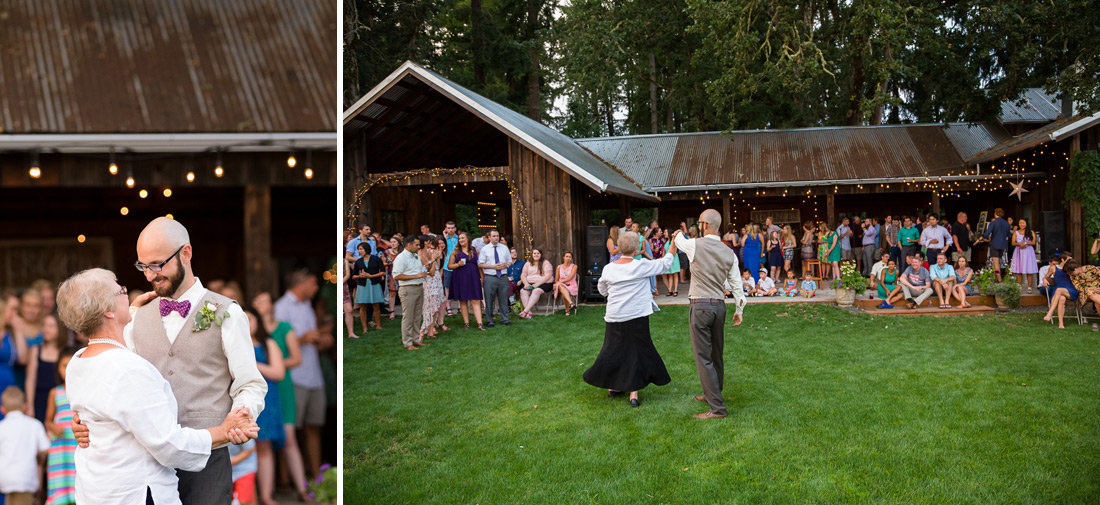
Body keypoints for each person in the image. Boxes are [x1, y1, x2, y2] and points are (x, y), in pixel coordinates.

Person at [70, 218, 266, 505]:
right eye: (143, 266)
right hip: (149, 464)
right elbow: (113, 380)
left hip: (208, 458)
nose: (149, 275)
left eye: (157, 264)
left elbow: (249, 382)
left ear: (186, 253)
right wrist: (85, 421)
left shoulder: (226, 312)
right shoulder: (135, 318)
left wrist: (241, 414)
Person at [583, 231, 676, 408]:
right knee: (635, 351)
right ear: (635, 248)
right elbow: (665, 264)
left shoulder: (609, 268)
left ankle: (615, 386)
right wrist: (673, 246)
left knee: (614, 349)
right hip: (636, 315)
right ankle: (632, 391)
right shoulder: (640, 266)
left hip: (616, 315)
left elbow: (602, 290)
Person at [673, 209, 747, 420]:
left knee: (703, 357)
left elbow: (678, 240)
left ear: (704, 225)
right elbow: (737, 286)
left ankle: (717, 408)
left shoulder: (695, 244)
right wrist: (739, 310)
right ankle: (712, 393)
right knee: (716, 354)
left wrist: (679, 232)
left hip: (700, 306)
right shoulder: (729, 252)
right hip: (719, 307)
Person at [250, 293, 310, 503]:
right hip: (262, 387)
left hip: (280, 386)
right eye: (257, 300)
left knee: (289, 438)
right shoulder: (247, 335)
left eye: (266, 300)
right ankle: (268, 490)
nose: (261, 304)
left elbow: (296, 358)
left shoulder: (282, 329)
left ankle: (303, 488)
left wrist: (272, 367)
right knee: (263, 441)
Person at [245, 308, 285, 505]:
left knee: (264, 447)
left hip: (267, 401)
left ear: (257, 321)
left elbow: (279, 372)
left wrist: (252, 363)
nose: (246, 322)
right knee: (244, 449)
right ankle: (247, 496)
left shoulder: (268, 344)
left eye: (249, 318)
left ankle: (266, 495)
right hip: (241, 403)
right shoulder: (234, 346)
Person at [0, 386, 50, 505]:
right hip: (25, 478)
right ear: (25, 406)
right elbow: (46, 448)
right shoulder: (35, 425)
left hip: (5, 478)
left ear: (3, 409)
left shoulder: (2, 427)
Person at [43, 346, 76, 505]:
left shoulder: (82, 391)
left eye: (71, 365)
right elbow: (48, 420)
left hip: (77, 448)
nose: (67, 370)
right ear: (58, 368)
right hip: (60, 448)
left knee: (78, 486)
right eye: (64, 366)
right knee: (61, 489)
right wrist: (52, 426)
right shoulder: (55, 393)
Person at [24, 313, 64, 423]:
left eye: (51, 326)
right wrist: (30, 406)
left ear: (60, 329)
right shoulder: (36, 350)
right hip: (40, 399)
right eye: (44, 325)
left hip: (59, 400)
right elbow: (30, 380)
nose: (46, 329)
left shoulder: (65, 352)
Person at [393, 235, 427, 349]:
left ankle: (416, 339)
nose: (419, 247)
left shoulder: (416, 256)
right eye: (416, 244)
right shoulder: (401, 258)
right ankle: (407, 343)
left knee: (417, 316)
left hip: (418, 287)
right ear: (409, 245)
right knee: (408, 317)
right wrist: (416, 276)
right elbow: (396, 275)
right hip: (407, 289)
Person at [448, 233, 485, 331]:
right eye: (459, 238)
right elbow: (449, 266)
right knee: (463, 300)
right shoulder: (456, 251)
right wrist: (458, 265)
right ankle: (466, 323)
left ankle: (480, 323)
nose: (461, 240)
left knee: (475, 299)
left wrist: (481, 277)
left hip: (473, 277)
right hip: (461, 277)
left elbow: (478, 265)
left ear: (468, 239)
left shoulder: (474, 250)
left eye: (462, 238)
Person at [478, 230, 512, 328]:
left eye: (497, 236)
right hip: (490, 277)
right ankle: (489, 320)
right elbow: (480, 264)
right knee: (489, 299)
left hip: (503, 276)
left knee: (504, 299)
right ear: (489, 237)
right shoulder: (485, 249)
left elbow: (510, 261)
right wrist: (493, 266)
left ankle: (505, 319)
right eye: (494, 236)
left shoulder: (504, 248)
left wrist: (506, 264)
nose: (496, 238)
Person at [352, 243, 386, 336]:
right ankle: (364, 328)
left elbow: (383, 272)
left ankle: (378, 325)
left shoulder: (376, 259)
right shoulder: (358, 261)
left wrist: (371, 276)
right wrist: (360, 276)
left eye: (360, 249)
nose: (359, 251)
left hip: (374, 284)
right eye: (358, 249)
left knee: (376, 306)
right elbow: (353, 275)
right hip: (362, 285)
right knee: (362, 307)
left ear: (366, 249)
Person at [420, 236, 449, 338]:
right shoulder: (431, 253)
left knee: (439, 304)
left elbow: (440, 269)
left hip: (437, 280)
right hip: (430, 281)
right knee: (431, 306)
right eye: (439, 243)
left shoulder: (443, 254)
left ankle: (434, 327)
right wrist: (434, 258)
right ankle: (427, 329)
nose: (441, 245)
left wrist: (439, 280)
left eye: (443, 243)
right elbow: (431, 270)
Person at [517, 249, 554, 319]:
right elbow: (523, 275)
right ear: (532, 255)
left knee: (536, 291)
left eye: (538, 253)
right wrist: (526, 283)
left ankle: (525, 311)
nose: (536, 255)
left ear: (541, 254)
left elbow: (548, 275)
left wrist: (537, 284)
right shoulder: (528, 263)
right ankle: (529, 313)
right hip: (530, 282)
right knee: (523, 291)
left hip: (545, 283)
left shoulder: (546, 263)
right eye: (534, 253)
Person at [1044, 259, 1081, 328]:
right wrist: (1044, 280)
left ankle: (1050, 313)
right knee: (1062, 299)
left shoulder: (1071, 269)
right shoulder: (1053, 268)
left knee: (1058, 290)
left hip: (1070, 290)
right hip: (1059, 291)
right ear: (1063, 259)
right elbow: (1046, 277)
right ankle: (1061, 324)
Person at [978, 208, 1012, 282]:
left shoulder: (993, 222)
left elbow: (988, 232)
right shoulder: (1006, 223)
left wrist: (981, 237)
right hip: (1002, 245)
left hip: (994, 244)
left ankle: (999, 281)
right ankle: (995, 279)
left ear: (995, 213)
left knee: (996, 264)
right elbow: (1009, 234)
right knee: (997, 263)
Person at [1011, 218, 1038, 294]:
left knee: (1029, 269)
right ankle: (1019, 286)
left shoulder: (1030, 232)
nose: (1021, 224)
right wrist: (1019, 244)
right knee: (1019, 269)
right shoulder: (1016, 232)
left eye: (1023, 223)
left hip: (1028, 251)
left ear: (1026, 223)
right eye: (1020, 223)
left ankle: (1029, 287)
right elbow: (1013, 243)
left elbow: (1033, 242)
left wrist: (1026, 243)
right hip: (1019, 251)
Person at [229, 439, 257, 505]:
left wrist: (230, 462)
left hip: (244, 470)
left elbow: (251, 448)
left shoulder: (239, 429)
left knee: (244, 501)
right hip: (228, 471)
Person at [441, 221, 459, 314]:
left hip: (458, 265)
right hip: (447, 266)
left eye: (452, 228)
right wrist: (445, 237)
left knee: (458, 285)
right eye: (449, 228)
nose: (451, 230)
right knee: (447, 287)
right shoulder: (444, 239)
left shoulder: (459, 238)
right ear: (446, 229)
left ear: (455, 228)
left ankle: (460, 306)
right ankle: (448, 307)